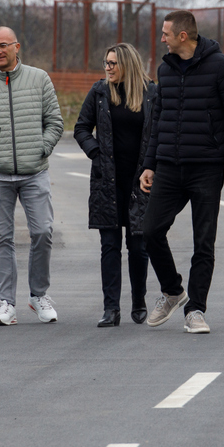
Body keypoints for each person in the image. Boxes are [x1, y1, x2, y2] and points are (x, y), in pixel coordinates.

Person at [139, 10, 224, 335]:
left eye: (166, 34)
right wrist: (150, 164)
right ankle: (173, 291)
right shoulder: (165, 69)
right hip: (169, 166)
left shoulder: (222, 66)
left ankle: (196, 309)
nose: (162, 39)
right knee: (149, 231)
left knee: (203, 242)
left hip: (206, 168)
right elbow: (158, 120)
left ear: (183, 36)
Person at [0, 26, 64, 326]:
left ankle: (38, 295)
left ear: (16, 47)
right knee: (2, 239)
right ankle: (7, 303)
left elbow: (55, 122)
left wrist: (41, 148)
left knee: (43, 232)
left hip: (34, 172)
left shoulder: (39, 78)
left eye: (3, 45)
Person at [74, 43, 156, 327]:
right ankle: (111, 309)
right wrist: (96, 154)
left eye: (112, 63)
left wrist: (152, 165)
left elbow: (159, 131)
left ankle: (139, 302)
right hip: (107, 181)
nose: (107, 68)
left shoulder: (151, 93)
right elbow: (81, 128)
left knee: (138, 245)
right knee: (109, 245)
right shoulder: (99, 92)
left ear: (127, 65)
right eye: (105, 63)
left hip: (140, 181)